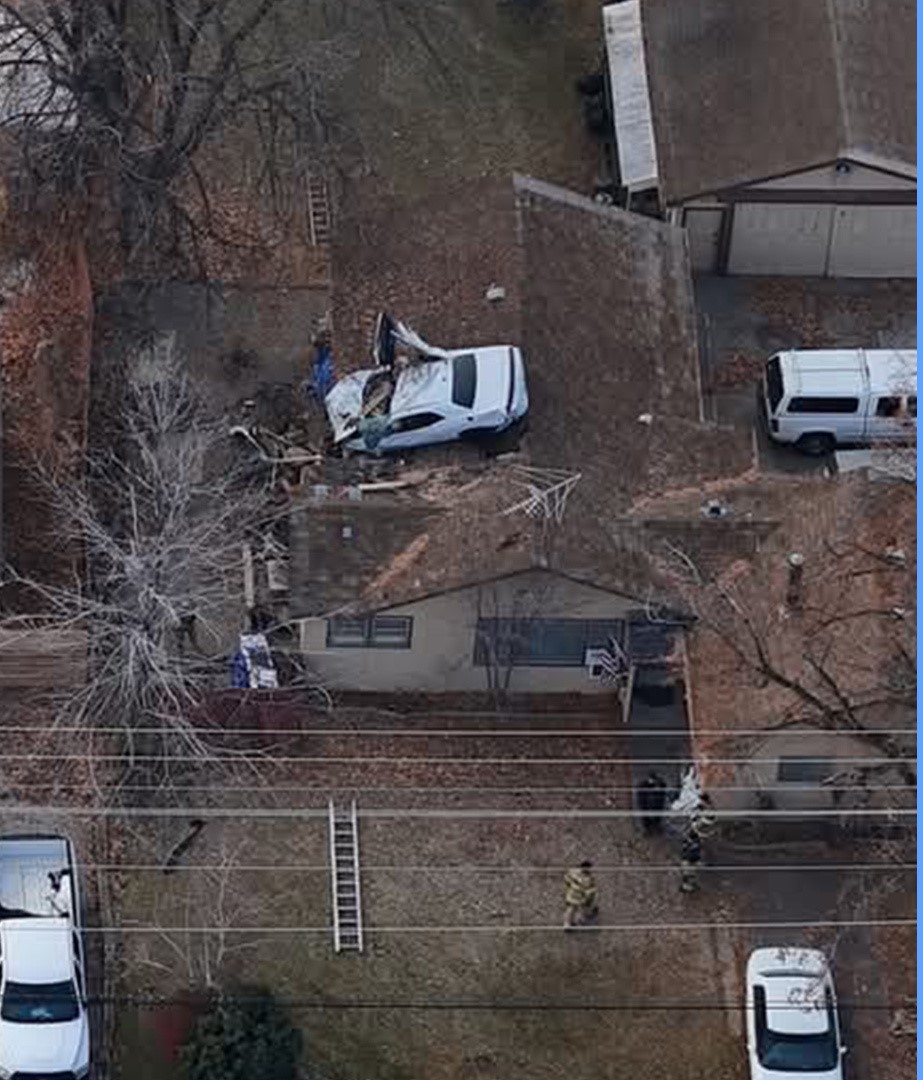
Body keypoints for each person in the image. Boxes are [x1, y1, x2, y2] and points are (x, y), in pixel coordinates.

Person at [563, 860, 598, 929]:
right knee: (571, 909)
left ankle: (575, 922)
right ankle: (567, 924)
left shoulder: (589, 877)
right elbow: (567, 879)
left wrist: (590, 894)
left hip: (580, 896)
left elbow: (591, 887)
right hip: (573, 894)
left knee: (578, 910)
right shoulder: (574, 873)